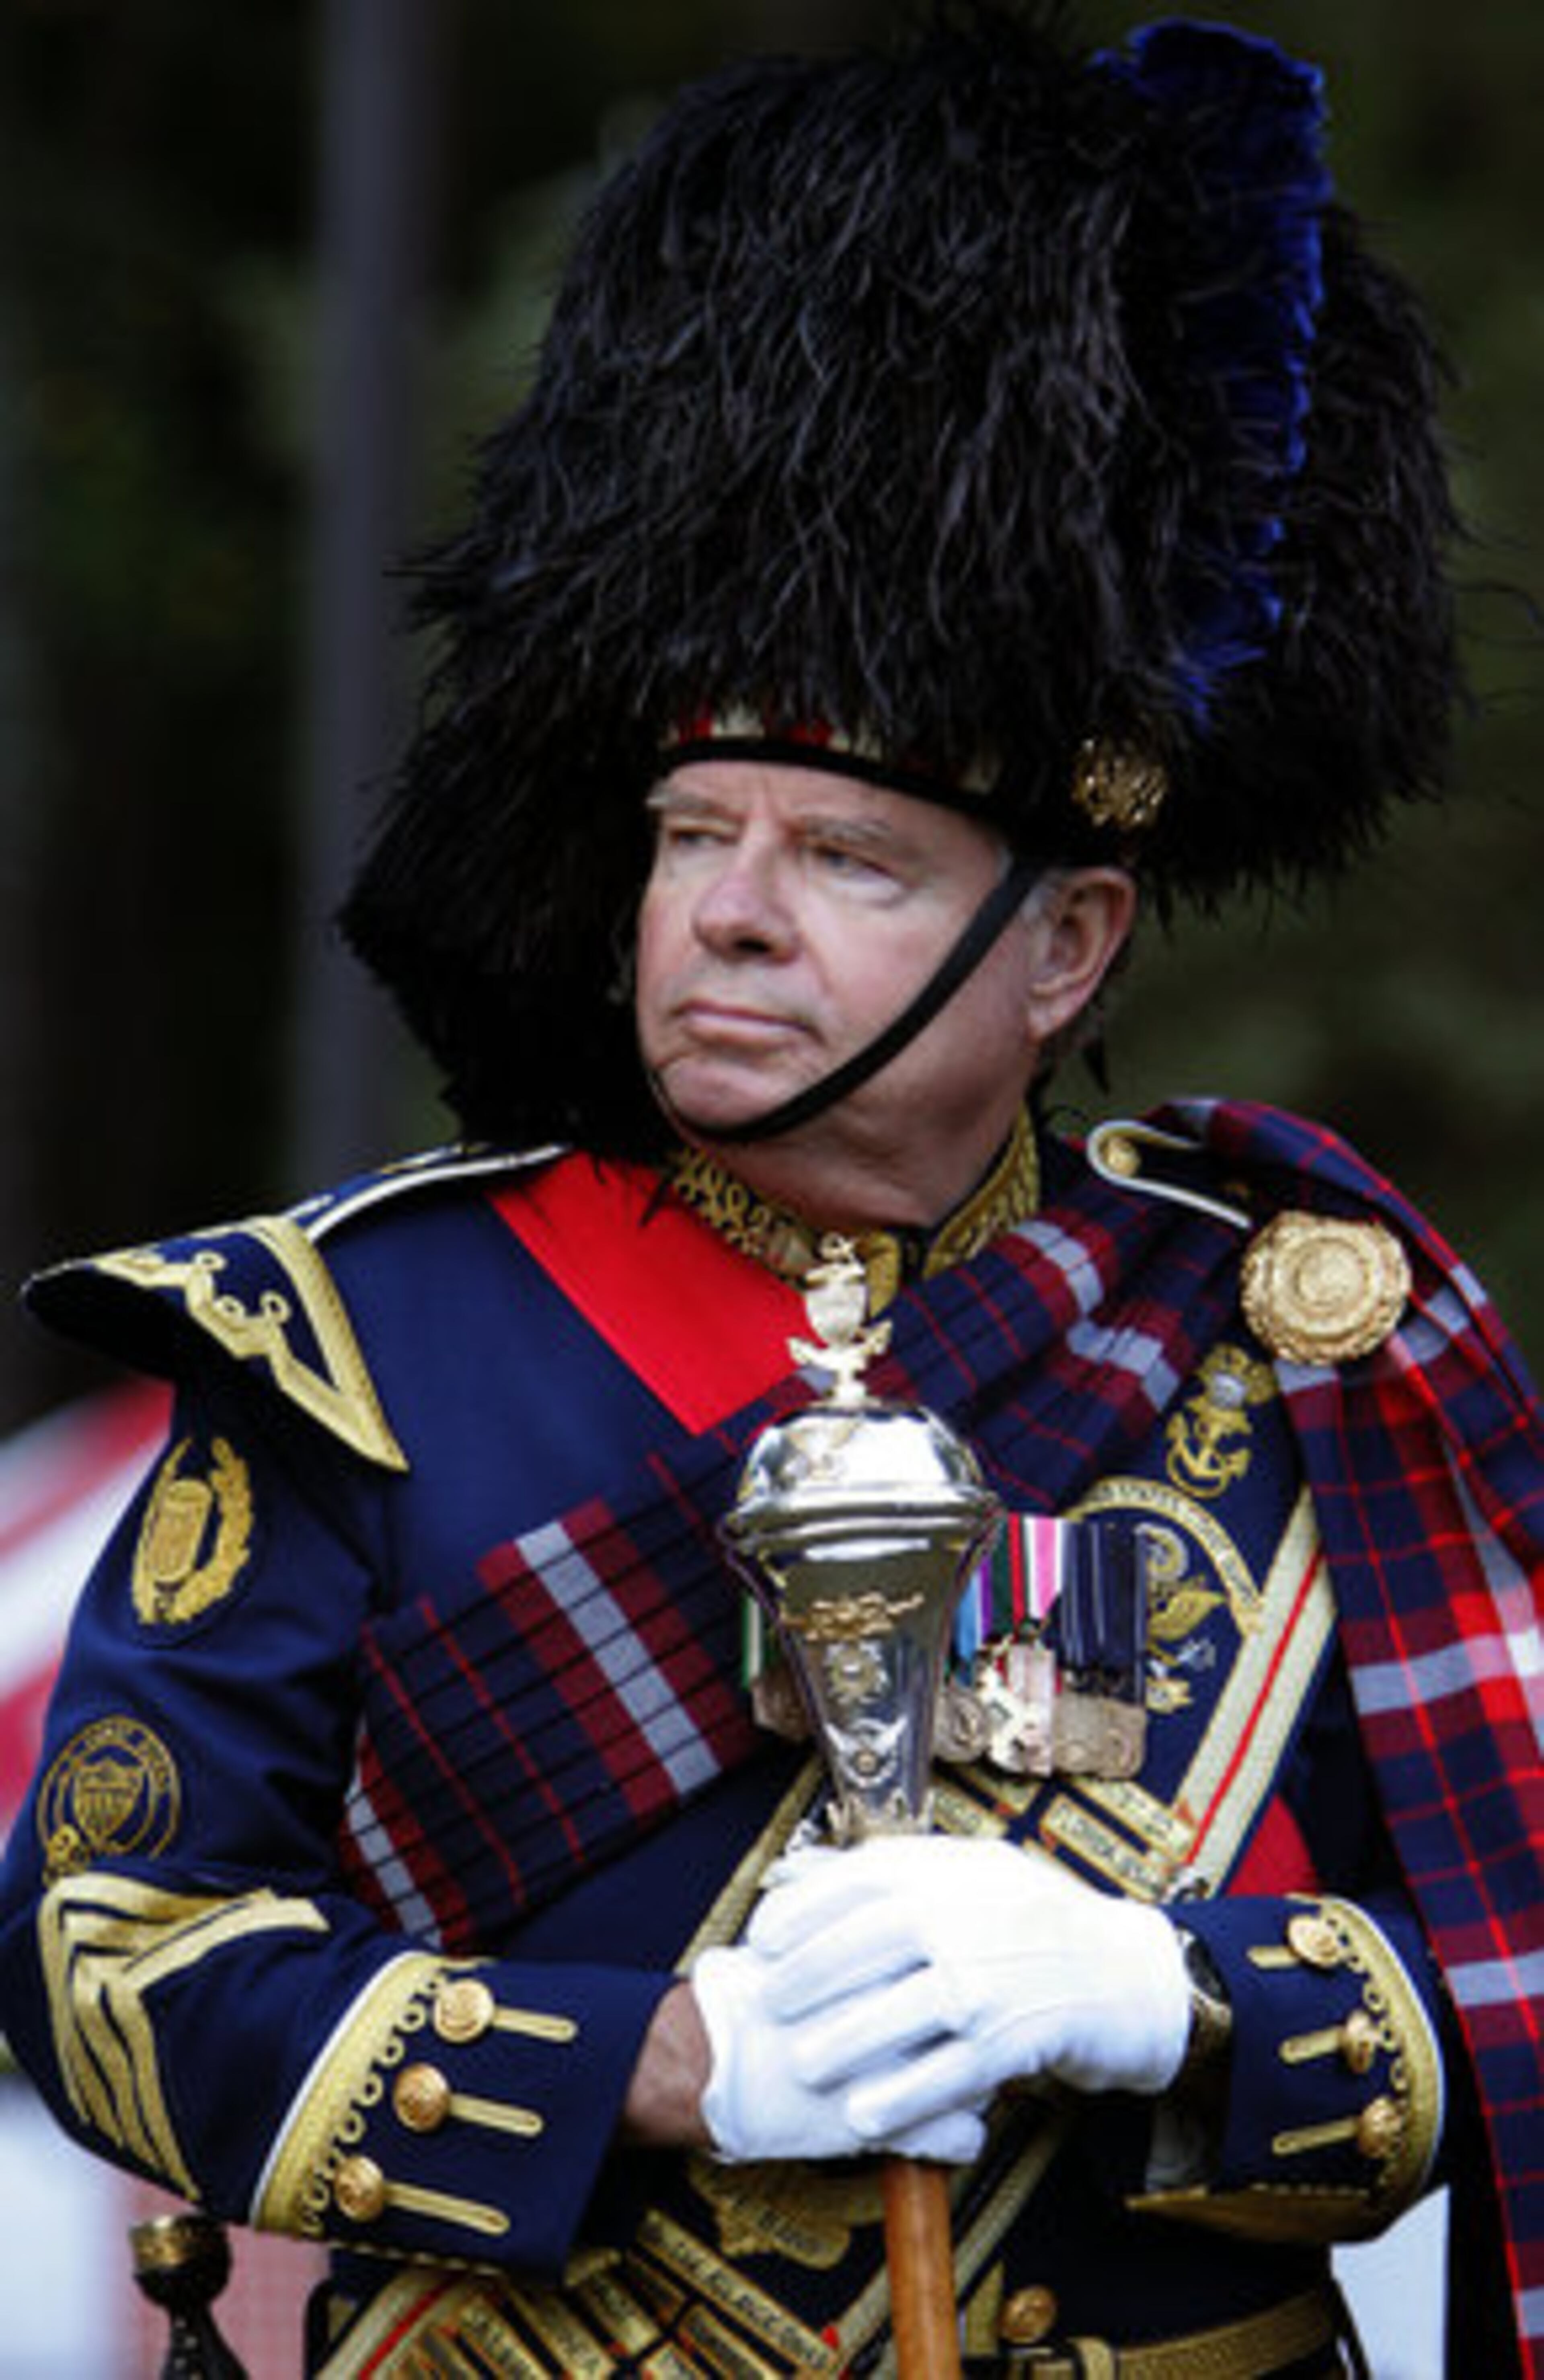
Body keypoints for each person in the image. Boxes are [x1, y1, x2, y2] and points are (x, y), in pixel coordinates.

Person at [2, 10, 1540, 2376]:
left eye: (842, 855)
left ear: (1064, 944)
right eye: (692, 837)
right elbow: (106, 1953)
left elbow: (1505, 1978)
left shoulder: (1275, 1335)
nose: (726, 913)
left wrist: (1181, 1998)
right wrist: (652, 2061)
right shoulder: (363, 1341)